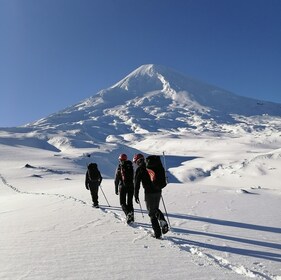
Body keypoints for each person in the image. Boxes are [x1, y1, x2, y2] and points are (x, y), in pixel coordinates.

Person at [133, 153, 169, 239]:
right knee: (155, 208)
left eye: (135, 162)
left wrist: (136, 195)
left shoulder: (140, 169)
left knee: (151, 213)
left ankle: (157, 233)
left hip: (149, 193)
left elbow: (136, 184)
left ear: (138, 161)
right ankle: (162, 221)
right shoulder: (153, 165)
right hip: (158, 191)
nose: (136, 164)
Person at [114, 153, 135, 223]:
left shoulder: (119, 167)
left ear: (120, 159)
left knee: (122, 203)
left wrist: (116, 188)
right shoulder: (130, 166)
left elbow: (116, 179)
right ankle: (132, 217)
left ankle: (128, 214)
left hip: (122, 186)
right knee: (130, 202)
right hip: (131, 186)